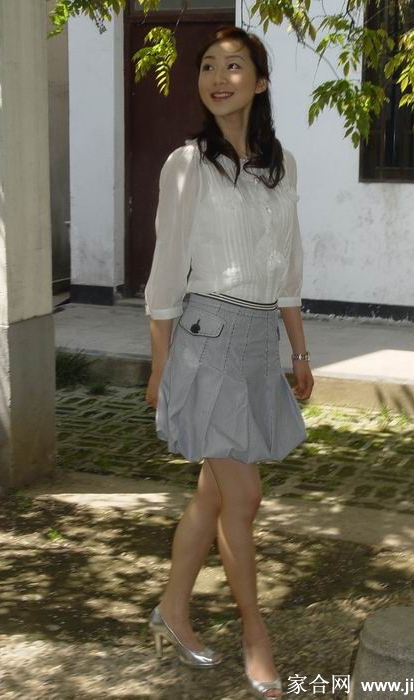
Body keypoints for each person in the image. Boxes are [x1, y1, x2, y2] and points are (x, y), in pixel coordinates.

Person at [144, 25, 314, 699]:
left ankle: (171, 609)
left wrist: (297, 350)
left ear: (260, 82)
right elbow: (165, 273)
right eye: (209, 66)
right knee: (243, 497)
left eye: (235, 65)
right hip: (205, 341)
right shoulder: (187, 164)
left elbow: (288, 267)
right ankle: (255, 634)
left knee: (213, 494)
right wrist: (161, 366)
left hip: (258, 345)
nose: (219, 77)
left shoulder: (282, 165)